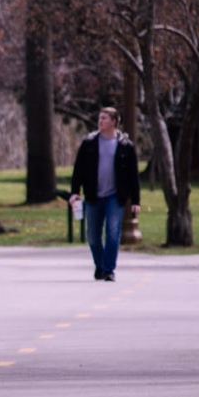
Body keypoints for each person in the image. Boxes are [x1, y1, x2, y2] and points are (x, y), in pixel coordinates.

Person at [69, 106, 141, 282]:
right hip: (94, 195)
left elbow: (133, 175)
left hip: (115, 197)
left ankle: (108, 269)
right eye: (99, 118)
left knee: (112, 232)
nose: (100, 121)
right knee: (93, 236)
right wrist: (74, 192)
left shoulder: (125, 146)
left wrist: (135, 200)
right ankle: (100, 265)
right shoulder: (89, 143)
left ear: (114, 122)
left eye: (105, 118)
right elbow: (78, 169)